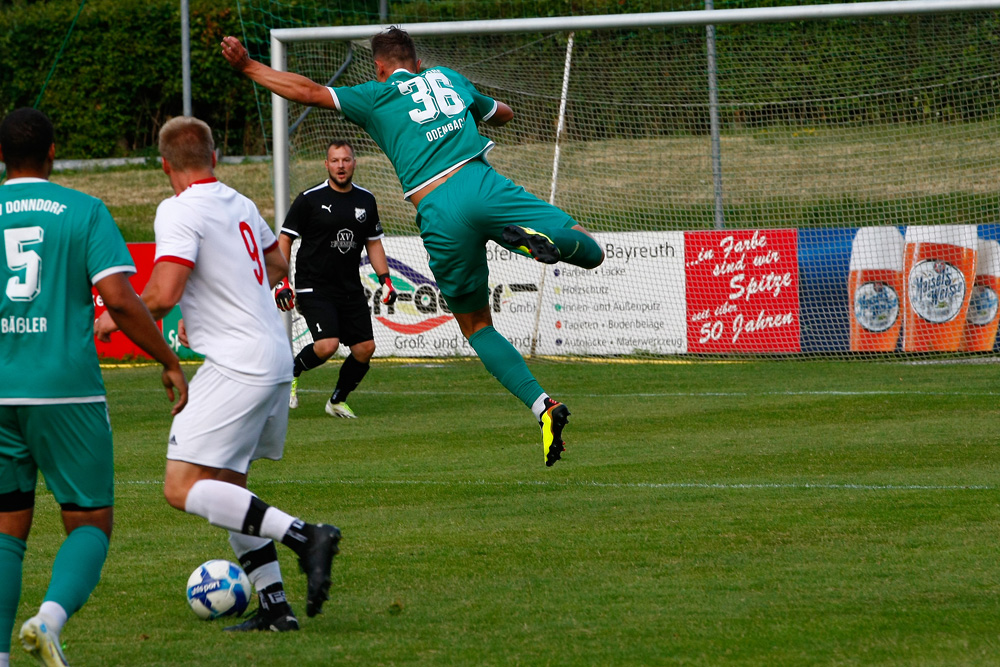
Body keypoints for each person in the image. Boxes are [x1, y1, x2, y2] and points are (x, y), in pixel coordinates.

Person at [222, 28, 605, 467]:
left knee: (477, 327)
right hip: (484, 185)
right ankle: (529, 243)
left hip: (437, 209)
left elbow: (308, 92)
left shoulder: (376, 94)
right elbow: (504, 113)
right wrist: (484, 110)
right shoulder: (448, 78)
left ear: (380, 67)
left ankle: (543, 407)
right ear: (418, 62)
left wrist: (249, 66)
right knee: (590, 249)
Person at [95, 116, 340, 633]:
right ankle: (276, 608)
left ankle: (305, 536)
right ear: (216, 157)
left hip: (235, 363)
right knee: (231, 488)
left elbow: (163, 294)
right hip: (272, 355)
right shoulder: (241, 203)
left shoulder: (179, 209)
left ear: (165, 165)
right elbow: (276, 266)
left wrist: (114, 315)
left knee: (181, 487)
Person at [0, 108, 188, 667]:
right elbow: (122, 300)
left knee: (7, 528)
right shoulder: (82, 210)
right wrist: (168, 358)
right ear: (53, 152)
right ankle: (49, 620)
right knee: (88, 521)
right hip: (65, 392)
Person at [276, 139, 398, 418]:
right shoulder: (309, 199)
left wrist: (385, 280)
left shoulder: (365, 199)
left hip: (349, 287)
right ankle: (291, 371)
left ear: (354, 163)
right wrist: (282, 282)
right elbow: (284, 239)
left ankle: (337, 401)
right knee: (327, 345)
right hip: (313, 285)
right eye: (335, 160)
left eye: (345, 160)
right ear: (326, 164)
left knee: (365, 349)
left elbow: (374, 242)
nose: (340, 166)